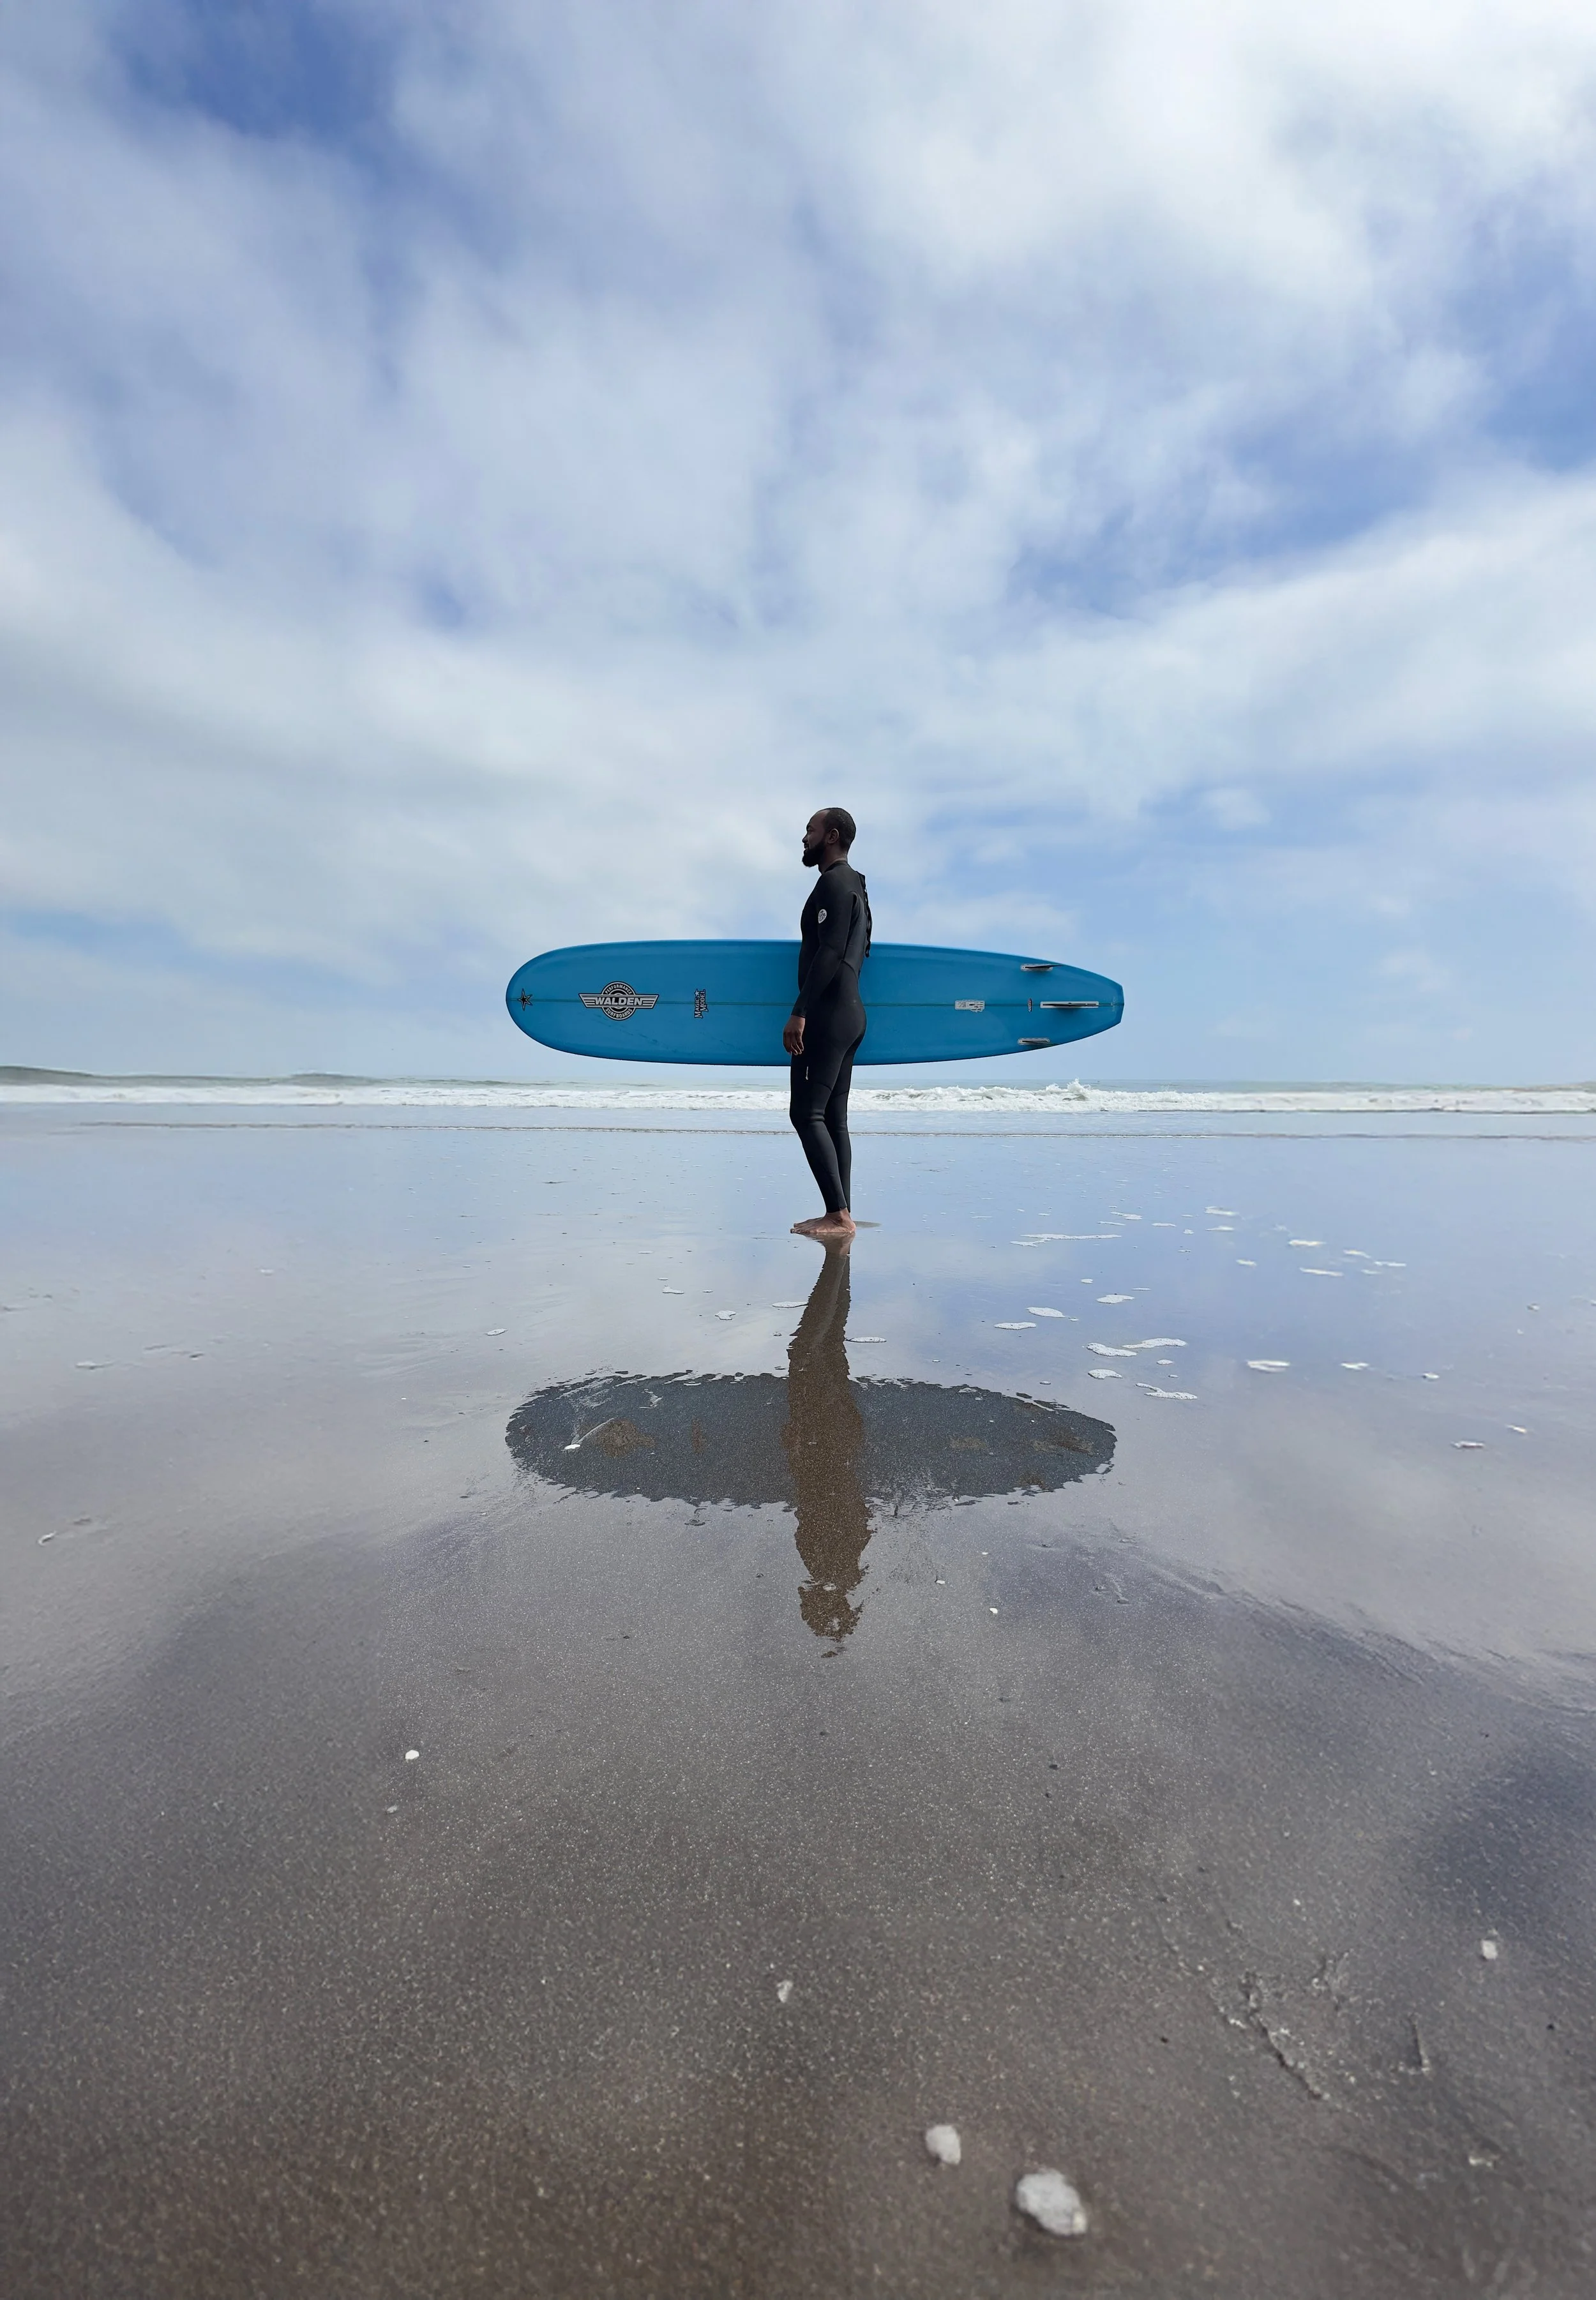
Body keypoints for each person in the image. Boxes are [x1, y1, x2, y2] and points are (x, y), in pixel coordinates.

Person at [783, 808, 871, 1239]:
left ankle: (837, 1214)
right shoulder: (858, 886)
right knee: (833, 1117)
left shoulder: (833, 883)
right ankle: (842, 1213)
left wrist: (801, 1011)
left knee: (805, 1112)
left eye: (810, 831)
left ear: (831, 836)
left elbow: (831, 952)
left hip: (828, 1014)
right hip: (851, 1014)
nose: (804, 838)